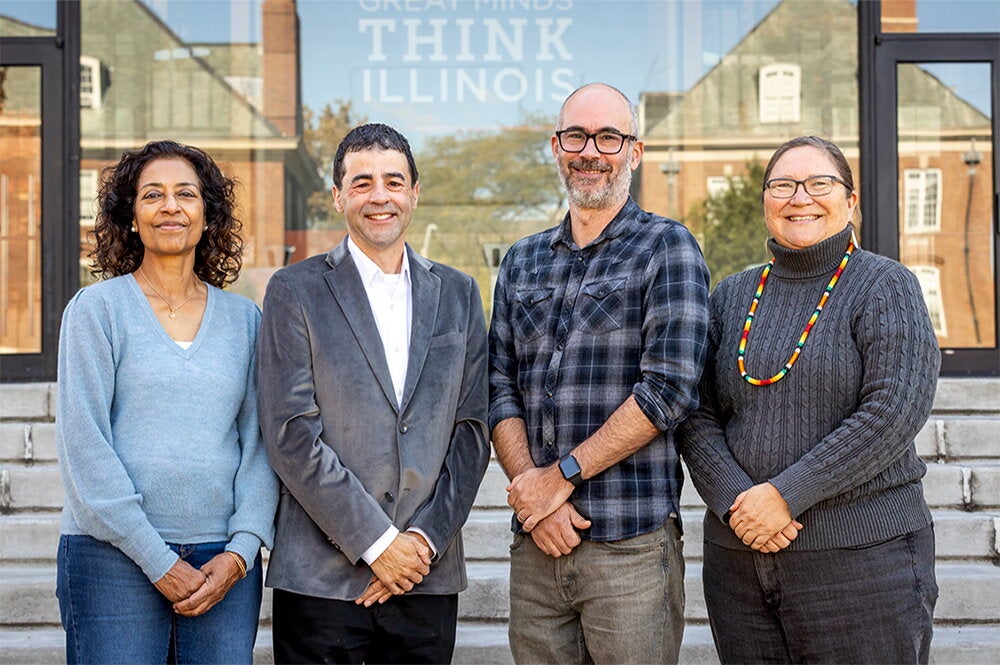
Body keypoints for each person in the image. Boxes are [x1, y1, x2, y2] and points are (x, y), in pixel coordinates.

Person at [679, 135, 940, 664]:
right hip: (740, 566)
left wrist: (784, 496)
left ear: (851, 200)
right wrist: (737, 501)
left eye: (820, 183)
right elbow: (694, 410)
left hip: (863, 565)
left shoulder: (885, 285)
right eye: (782, 185)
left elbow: (893, 410)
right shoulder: (731, 295)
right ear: (765, 203)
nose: (800, 198)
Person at [488, 83, 710, 664]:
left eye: (608, 136)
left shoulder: (669, 248)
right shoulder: (521, 259)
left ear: (634, 151)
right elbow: (499, 387)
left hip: (630, 545)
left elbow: (670, 390)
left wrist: (561, 475)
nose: (591, 150)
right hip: (538, 546)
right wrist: (537, 498)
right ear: (556, 147)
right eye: (576, 136)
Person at [257, 122, 490, 664]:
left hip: (424, 578)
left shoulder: (459, 293)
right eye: (362, 183)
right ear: (338, 196)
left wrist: (420, 544)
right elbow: (291, 434)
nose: (379, 195)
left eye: (393, 180)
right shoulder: (294, 291)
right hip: (323, 583)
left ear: (414, 192)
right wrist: (379, 544)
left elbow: (473, 431)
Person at [54, 140, 278, 664]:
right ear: (131, 217)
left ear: (208, 215)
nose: (170, 206)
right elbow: (84, 445)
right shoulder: (97, 311)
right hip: (111, 557)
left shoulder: (246, 320)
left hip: (221, 562)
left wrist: (243, 551)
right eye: (152, 195)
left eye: (186, 194)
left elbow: (262, 445)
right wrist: (157, 559)